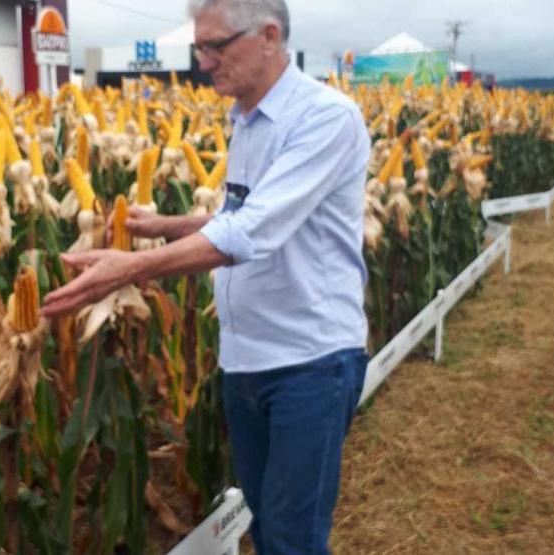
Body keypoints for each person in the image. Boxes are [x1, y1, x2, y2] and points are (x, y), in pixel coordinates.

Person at [42, 0, 371, 552]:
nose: (205, 61)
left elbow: (252, 234)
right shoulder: (244, 117)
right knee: (265, 527)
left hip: (309, 360)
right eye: (200, 48)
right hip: (246, 358)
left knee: (293, 538)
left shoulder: (324, 118)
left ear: (269, 36)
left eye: (218, 46)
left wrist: (130, 268)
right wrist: (161, 225)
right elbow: (237, 217)